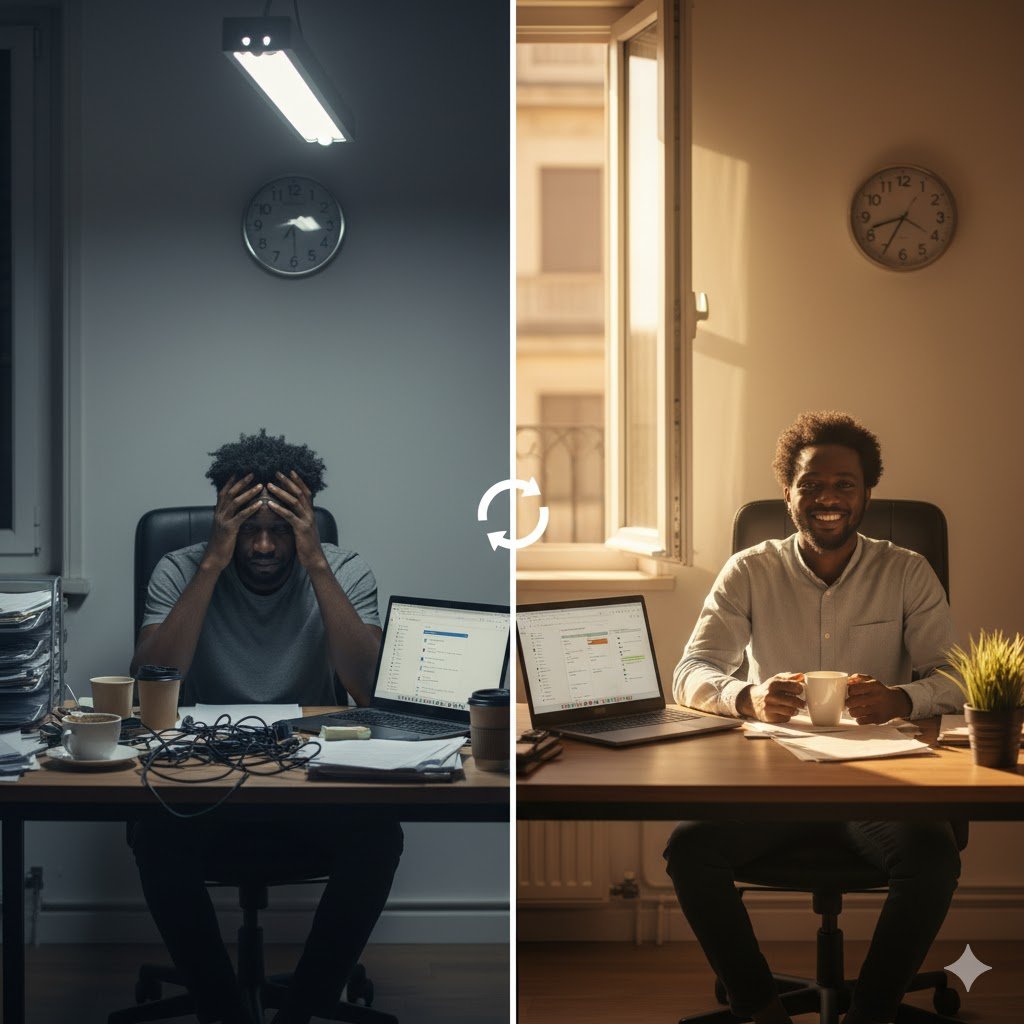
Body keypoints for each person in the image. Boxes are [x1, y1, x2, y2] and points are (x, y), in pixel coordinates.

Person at [663, 411, 964, 1024]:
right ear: (788, 492)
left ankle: (872, 1012)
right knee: (689, 850)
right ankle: (758, 1006)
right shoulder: (749, 570)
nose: (828, 497)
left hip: (883, 785)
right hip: (775, 782)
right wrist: (747, 696)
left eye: (845, 484)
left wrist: (902, 699)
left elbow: (956, 678)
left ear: (867, 493)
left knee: (931, 854)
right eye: (811, 483)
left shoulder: (907, 570)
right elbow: (688, 672)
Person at [128, 429, 403, 1024]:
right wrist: (211, 562)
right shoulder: (181, 569)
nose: (261, 544)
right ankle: (223, 1011)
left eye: (279, 527)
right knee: (150, 833)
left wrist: (315, 561)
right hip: (201, 782)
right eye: (245, 526)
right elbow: (155, 678)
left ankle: (299, 1012)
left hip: (308, 783)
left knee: (380, 834)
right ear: (220, 518)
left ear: (305, 521)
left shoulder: (345, 571)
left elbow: (367, 688)